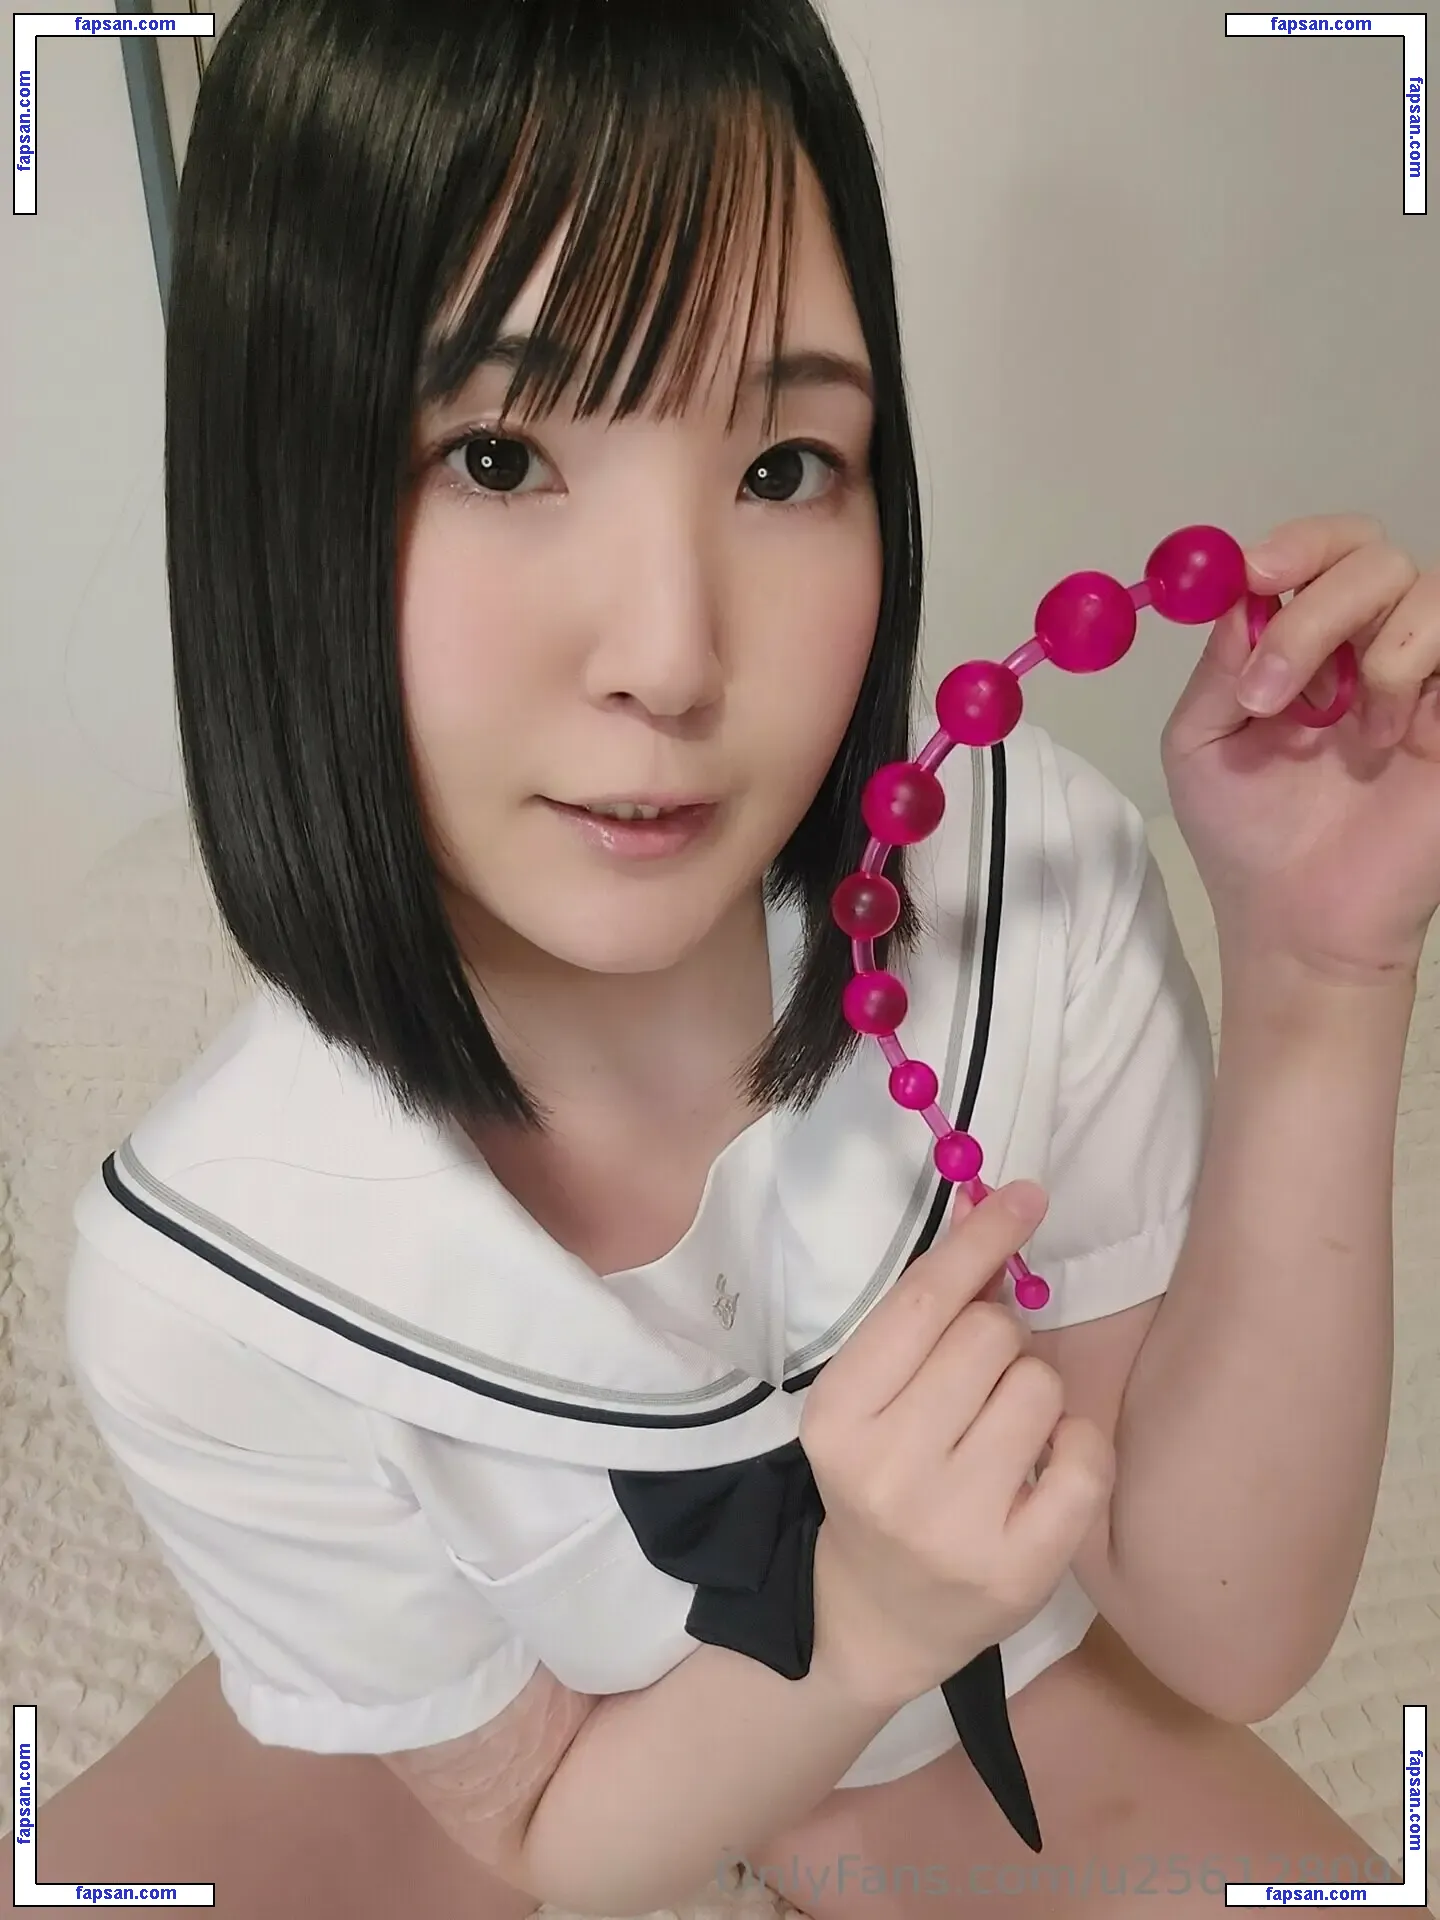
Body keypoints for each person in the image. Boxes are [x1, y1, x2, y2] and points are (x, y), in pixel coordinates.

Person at [8, 1, 1438, 1914]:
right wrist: (856, 1630)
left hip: (982, 1694)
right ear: (272, 498)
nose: (673, 659)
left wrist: (1325, 978)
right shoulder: (216, 1283)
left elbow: (1230, 1626)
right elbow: (542, 1838)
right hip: (550, 1732)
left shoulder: (1031, 888)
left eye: (783, 469)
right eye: (499, 454)